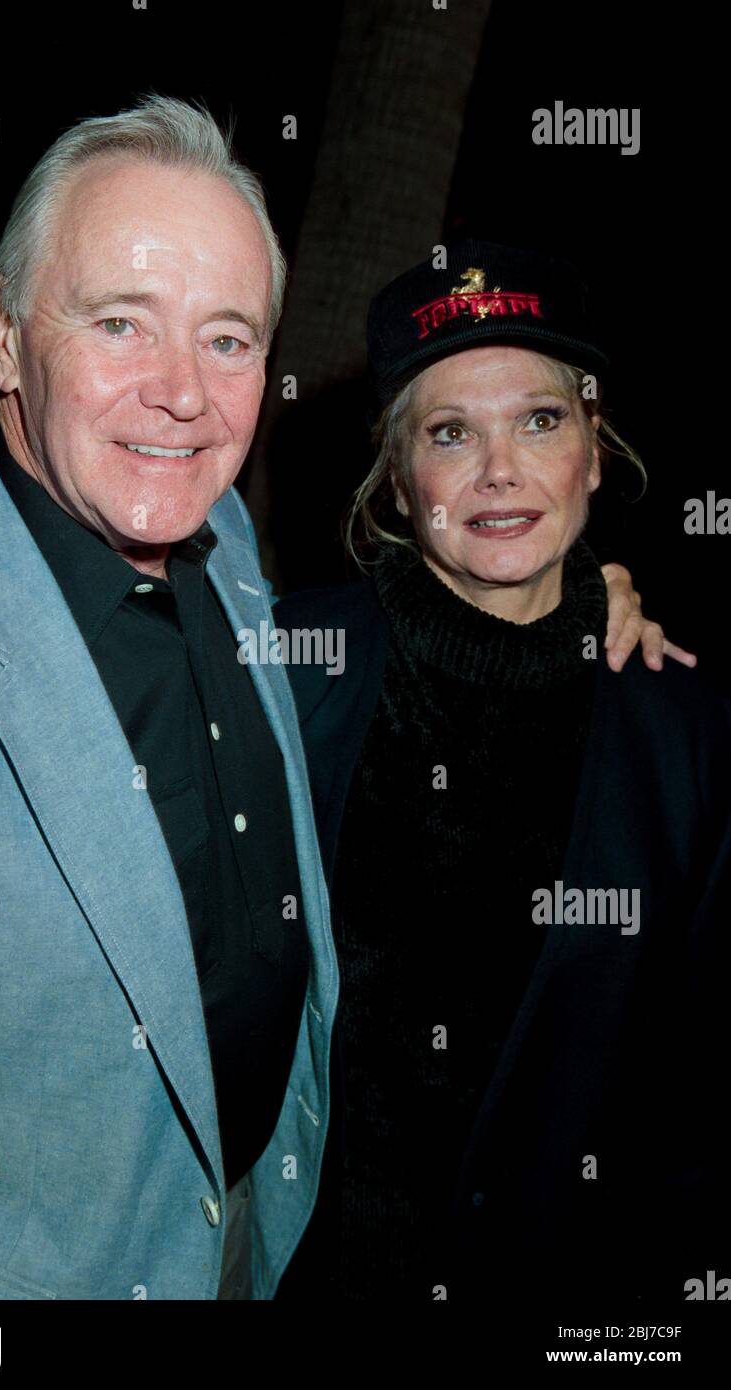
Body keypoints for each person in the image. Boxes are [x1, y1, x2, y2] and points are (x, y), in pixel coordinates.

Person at [0, 102, 672, 1302]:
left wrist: (571, 603)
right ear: (3, 327)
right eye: (121, 321)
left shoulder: (219, 533)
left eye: (227, 339)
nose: (182, 394)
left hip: (265, 1240)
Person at [274, 241, 728, 1305]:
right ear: (397, 478)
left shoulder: (689, 744)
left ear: (593, 451)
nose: (498, 471)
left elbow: (699, 1112)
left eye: (537, 419)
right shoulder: (282, 682)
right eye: (448, 433)